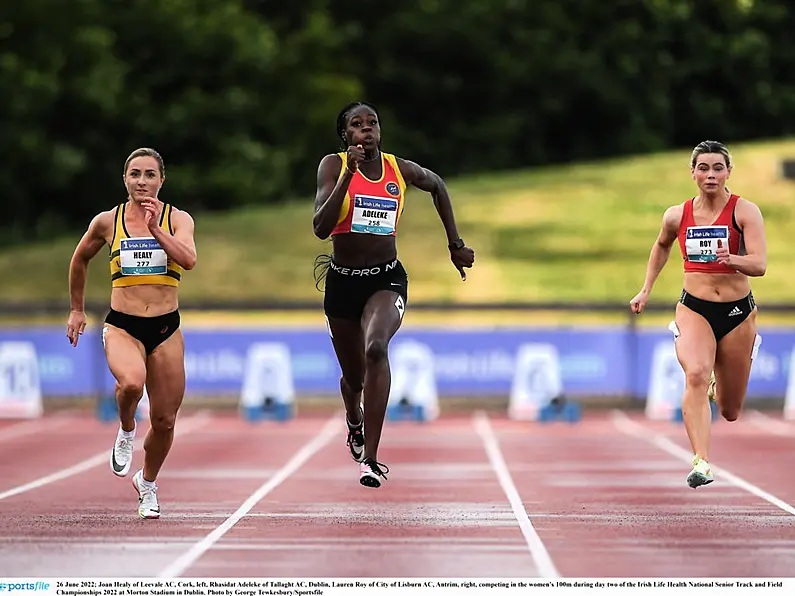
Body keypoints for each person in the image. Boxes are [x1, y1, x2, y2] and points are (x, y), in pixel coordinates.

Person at [312, 101, 475, 488]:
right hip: (342, 283)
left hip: (386, 280)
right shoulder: (332, 167)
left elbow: (437, 185)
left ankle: (370, 457)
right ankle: (354, 417)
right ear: (345, 135)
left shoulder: (398, 170)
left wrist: (455, 243)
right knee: (353, 378)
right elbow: (320, 227)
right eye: (357, 124)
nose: (367, 129)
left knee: (376, 349)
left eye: (373, 123)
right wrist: (348, 177)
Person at [66, 147, 197, 517]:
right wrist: (76, 309)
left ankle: (148, 484)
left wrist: (156, 229)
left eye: (150, 175)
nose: (142, 181)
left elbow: (188, 260)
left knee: (165, 420)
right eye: (135, 174)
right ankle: (126, 429)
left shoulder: (177, 219)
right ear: (125, 179)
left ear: (162, 180)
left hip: (166, 327)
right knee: (131, 384)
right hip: (123, 325)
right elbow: (80, 259)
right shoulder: (109, 221)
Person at [629, 140, 766, 489]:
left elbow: (760, 265)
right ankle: (701, 462)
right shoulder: (677, 215)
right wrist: (645, 289)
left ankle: (729, 372)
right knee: (695, 375)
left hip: (737, 313)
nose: (710, 175)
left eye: (717, 168)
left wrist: (731, 259)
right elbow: (661, 245)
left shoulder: (744, 211)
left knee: (730, 410)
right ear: (693, 173)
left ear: (728, 172)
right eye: (703, 168)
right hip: (695, 308)